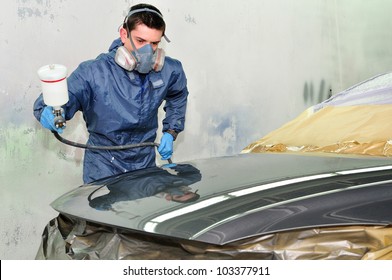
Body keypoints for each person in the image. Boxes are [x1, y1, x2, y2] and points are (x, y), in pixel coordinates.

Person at [33, 3, 189, 183]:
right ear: (124, 34)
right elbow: (64, 97)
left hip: (144, 163)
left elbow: (178, 96)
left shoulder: (170, 70)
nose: (148, 50)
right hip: (103, 165)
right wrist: (49, 110)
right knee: (103, 211)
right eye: (140, 41)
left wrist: (171, 131)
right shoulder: (94, 72)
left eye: (154, 43)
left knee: (143, 210)